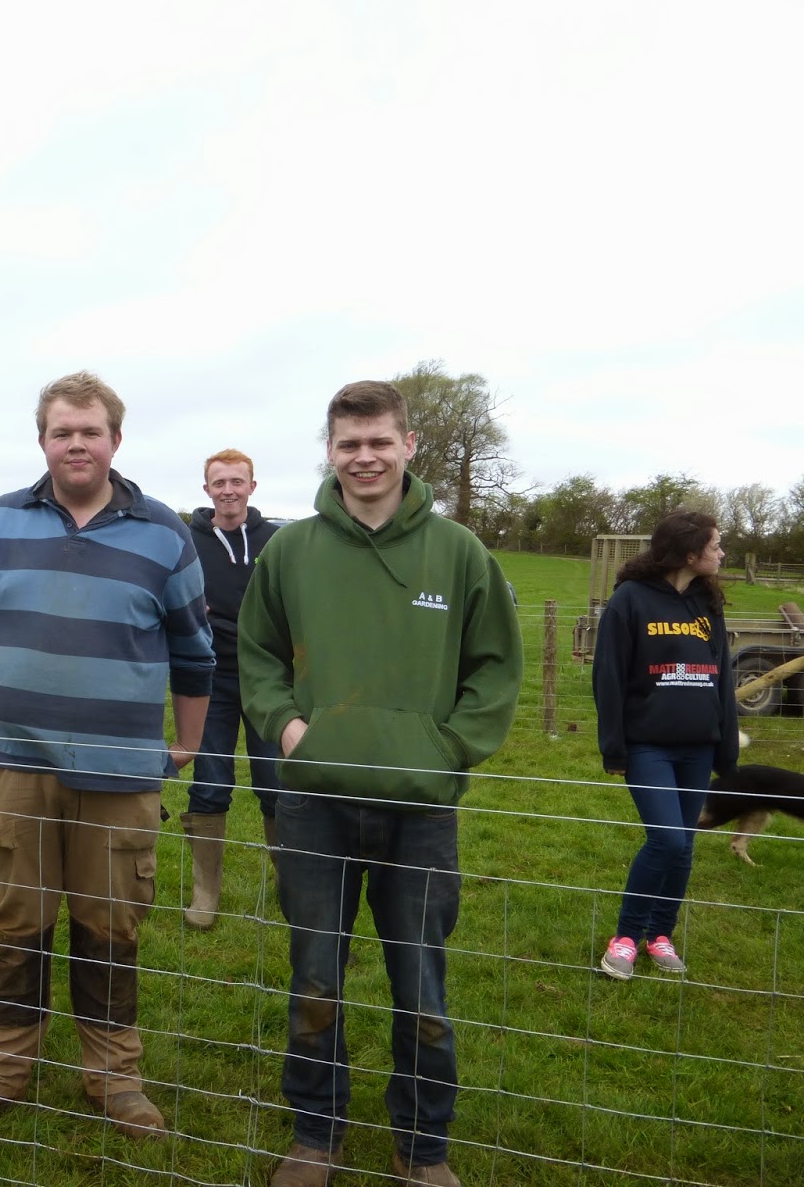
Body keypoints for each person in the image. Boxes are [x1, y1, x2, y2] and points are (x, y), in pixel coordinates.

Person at [238, 380, 522, 1187]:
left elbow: (495, 667)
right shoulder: (290, 551)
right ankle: (315, 1135)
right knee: (315, 977)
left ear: (408, 446)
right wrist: (290, 728)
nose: (364, 457)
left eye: (379, 442)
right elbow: (257, 654)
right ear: (330, 450)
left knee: (421, 987)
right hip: (314, 804)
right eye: (349, 444)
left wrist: (448, 749)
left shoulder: (459, 552)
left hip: (420, 809)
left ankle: (423, 1147)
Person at [0, 370, 214, 1140]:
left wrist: (187, 745)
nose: (77, 443)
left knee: (109, 929)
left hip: (121, 775)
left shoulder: (164, 533)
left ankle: (115, 1079)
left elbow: (196, 654)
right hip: (12, 765)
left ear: (116, 440)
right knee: (13, 925)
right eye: (63, 431)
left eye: (91, 431)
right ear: (43, 440)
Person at [592, 511, 738, 981]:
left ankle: (660, 935)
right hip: (647, 745)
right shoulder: (630, 600)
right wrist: (614, 747)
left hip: (698, 745)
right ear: (689, 553)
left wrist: (727, 749)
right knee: (667, 838)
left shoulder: (707, 604)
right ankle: (625, 938)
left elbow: (723, 678)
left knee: (684, 845)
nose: (722, 553)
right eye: (715, 545)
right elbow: (609, 676)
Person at [180, 448, 283, 929]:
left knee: (277, 784)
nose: (228, 491)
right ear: (207, 490)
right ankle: (206, 892)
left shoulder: (277, 540)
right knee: (209, 784)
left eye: (236, 482)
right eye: (219, 483)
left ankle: (291, 881)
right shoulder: (187, 542)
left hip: (269, 680)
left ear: (252, 487)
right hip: (209, 680)